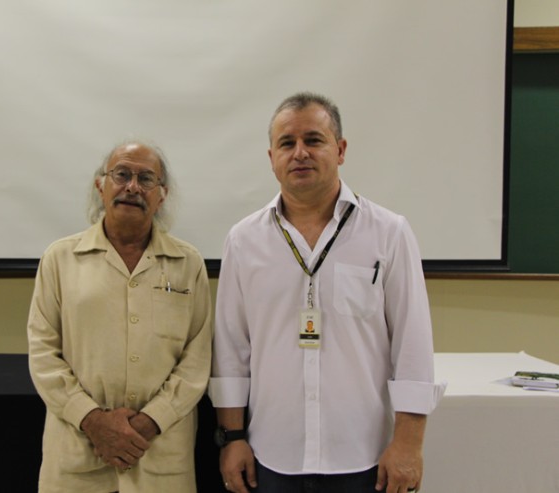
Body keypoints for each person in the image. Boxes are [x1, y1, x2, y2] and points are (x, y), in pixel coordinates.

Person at [209, 92, 445, 493]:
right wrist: (232, 440)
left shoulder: (389, 233)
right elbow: (231, 350)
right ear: (272, 159)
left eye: (313, 140)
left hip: (364, 455)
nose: (300, 152)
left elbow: (413, 347)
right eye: (287, 143)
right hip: (273, 454)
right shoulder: (244, 240)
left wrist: (408, 443)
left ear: (340, 150)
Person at [28, 140, 212, 493]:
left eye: (146, 179)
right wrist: (94, 422)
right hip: (78, 458)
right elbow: (42, 354)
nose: (132, 187)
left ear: (162, 194)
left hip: (159, 456)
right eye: (122, 174)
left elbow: (197, 359)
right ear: (101, 185)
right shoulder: (60, 259)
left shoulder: (188, 264)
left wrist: (149, 423)